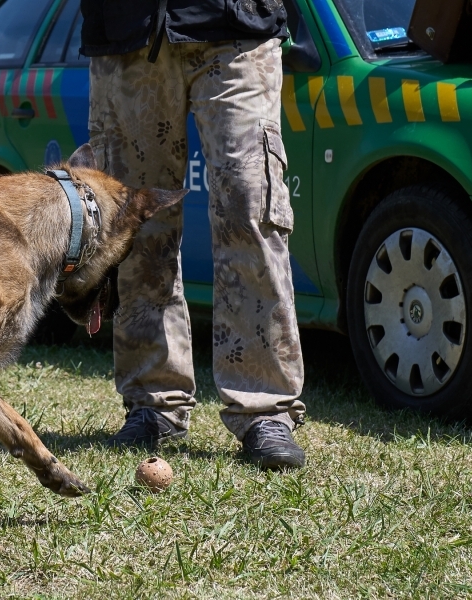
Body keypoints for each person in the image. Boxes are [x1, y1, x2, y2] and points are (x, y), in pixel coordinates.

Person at [80, 0, 306, 469]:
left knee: (249, 204)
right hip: (129, 29)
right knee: (135, 222)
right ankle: (153, 401)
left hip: (236, 25)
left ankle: (265, 408)